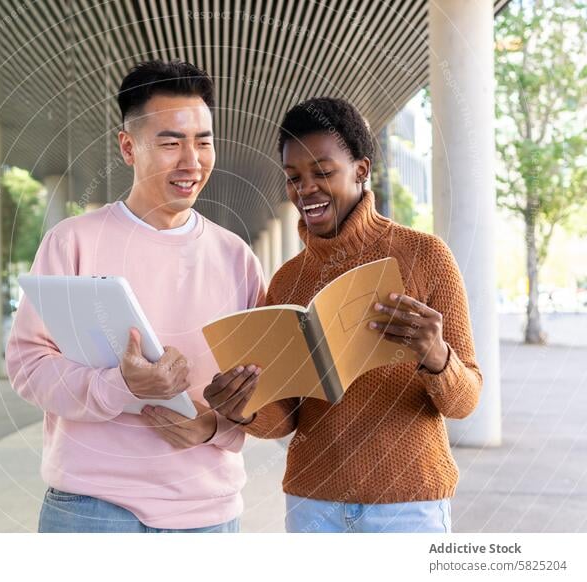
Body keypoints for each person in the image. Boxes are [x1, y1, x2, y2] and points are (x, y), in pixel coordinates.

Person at [5, 60, 265, 533]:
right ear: (128, 146)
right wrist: (122, 386)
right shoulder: (72, 242)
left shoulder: (237, 258)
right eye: (170, 142)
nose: (192, 161)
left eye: (203, 141)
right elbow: (27, 366)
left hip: (207, 514)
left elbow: (262, 393)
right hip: (91, 510)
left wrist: (214, 425)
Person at [205, 97, 482, 533]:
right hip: (313, 504)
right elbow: (286, 417)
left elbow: (465, 402)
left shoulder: (425, 256)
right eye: (293, 177)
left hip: (409, 504)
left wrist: (436, 355)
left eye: (323, 172)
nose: (305, 189)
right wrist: (244, 408)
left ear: (361, 169)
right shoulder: (287, 282)